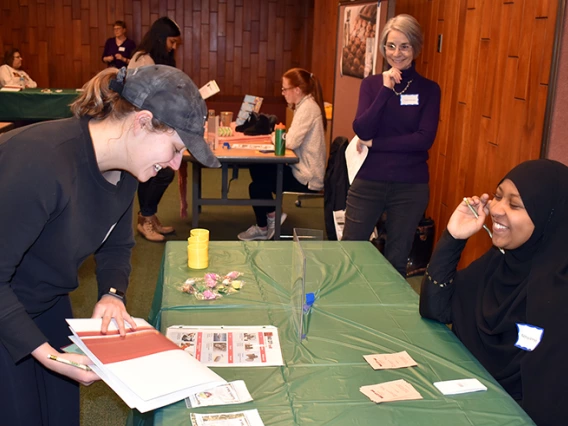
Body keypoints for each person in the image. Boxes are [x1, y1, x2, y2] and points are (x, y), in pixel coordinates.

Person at [0, 64, 219, 425]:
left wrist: (112, 294)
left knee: (60, 413)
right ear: (142, 122)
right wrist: (45, 354)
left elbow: (117, 245)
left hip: (45, 299)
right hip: (7, 306)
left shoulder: (126, 166)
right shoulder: (39, 163)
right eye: (176, 149)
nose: (175, 164)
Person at [419, 159, 568, 425]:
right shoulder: (500, 262)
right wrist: (454, 236)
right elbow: (436, 308)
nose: (496, 209)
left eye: (515, 204)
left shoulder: (558, 294)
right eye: (497, 197)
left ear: (548, 217)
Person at [341, 14, 441, 277]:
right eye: (391, 46)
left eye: (405, 46)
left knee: (395, 262)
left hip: (410, 186)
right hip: (369, 181)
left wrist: (376, 144)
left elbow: (424, 139)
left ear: (416, 47)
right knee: (349, 252)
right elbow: (362, 129)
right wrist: (386, 90)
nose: (397, 53)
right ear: (383, 47)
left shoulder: (430, 90)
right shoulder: (372, 85)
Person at [237, 68, 327, 241]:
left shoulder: (308, 108)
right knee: (257, 168)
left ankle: (265, 226)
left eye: (285, 89)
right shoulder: (305, 105)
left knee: (256, 187)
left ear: (297, 90)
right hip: (300, 169)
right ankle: (271, 216)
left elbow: (291, 142)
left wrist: (275, 135)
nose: (283, 93)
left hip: (307, 177)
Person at [129, 16, 183, 242]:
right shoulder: (143, 60)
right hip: (142, 126)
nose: (173, 47)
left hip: (156, 124)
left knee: (160, 173)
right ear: (161, 39)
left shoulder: (155, 58)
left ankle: (149, 216)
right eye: (171, 42)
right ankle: (145, 219)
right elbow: (143, 96)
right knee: (160, 173)